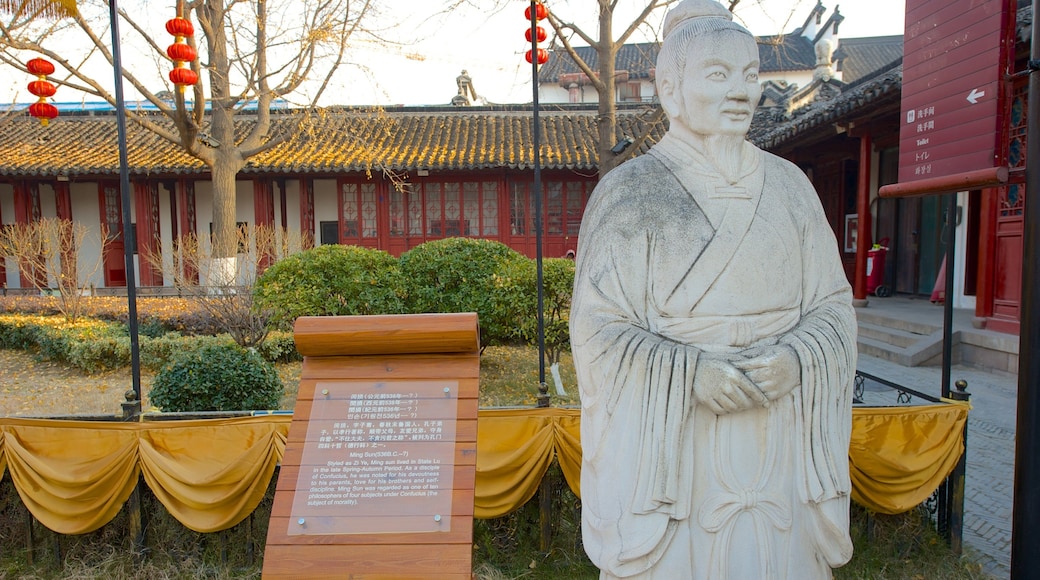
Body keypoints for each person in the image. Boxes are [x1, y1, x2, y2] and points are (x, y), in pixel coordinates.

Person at [569, 1, 857, 578]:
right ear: (670, 89)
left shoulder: (791, 186)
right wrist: (689, 374)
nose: (741, 93)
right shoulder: (631, 193)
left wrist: (799, 359)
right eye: (718, 76)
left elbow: (833, 305)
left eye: (750, 75)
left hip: (779, 426)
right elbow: (598, 328)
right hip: (677, 445)